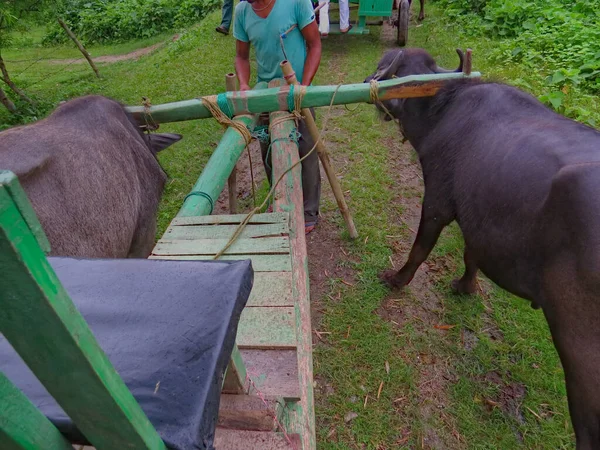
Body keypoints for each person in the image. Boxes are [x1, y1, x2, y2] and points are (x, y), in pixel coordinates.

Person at [234, 0, 322, 234]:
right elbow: (241, 56)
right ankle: (281, 200)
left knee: (307, 150)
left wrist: (304, 86)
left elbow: (314, 45)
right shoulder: (242, 11)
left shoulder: (296, 3)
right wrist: (243, 84)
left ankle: (309, 212)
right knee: (269, 151)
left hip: (297, 88)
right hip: (266, 92)